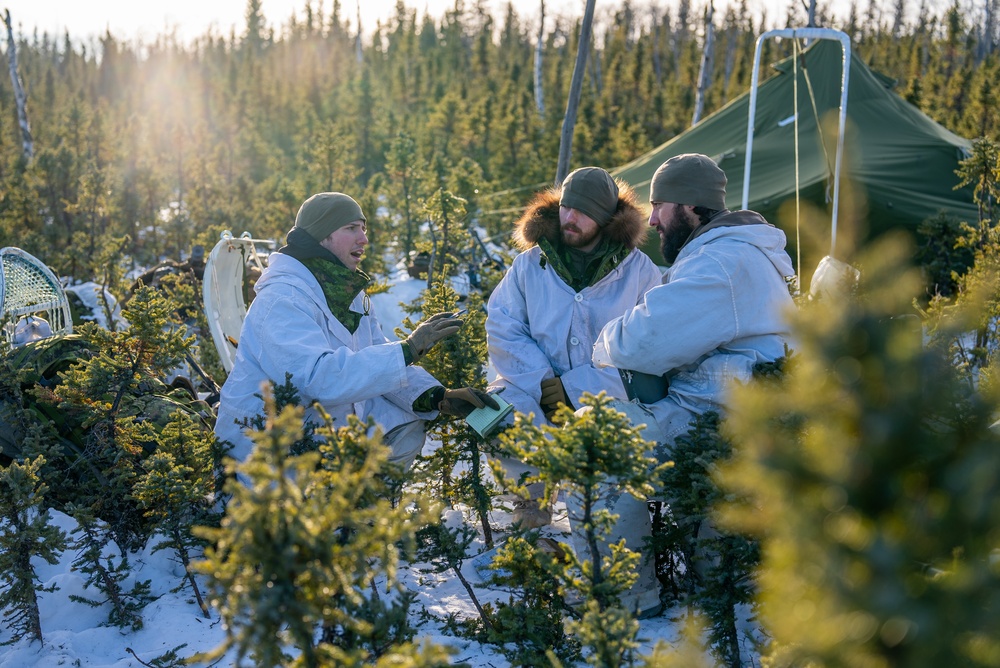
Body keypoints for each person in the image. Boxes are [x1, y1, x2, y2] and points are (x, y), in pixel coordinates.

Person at [583, 152, 796, 618]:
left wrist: (605, 339)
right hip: (735, 411)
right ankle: (721, 570)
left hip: (717, 418)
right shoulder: (735, 254)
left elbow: (639, 342)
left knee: (599, 435)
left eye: (660, 204)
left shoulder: (718, 263)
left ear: (691, 206)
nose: (652, 218)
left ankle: (626, 598)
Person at [215, 192, 497, 469]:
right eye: (351, 228)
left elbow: (377, 356)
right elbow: (319, 377)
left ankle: (367, 512)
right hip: (269, 448)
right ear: (320, 235)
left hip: (322, 428)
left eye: (363, 228)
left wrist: (437, 396)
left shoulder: (346, 293)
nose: (363, 238)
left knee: (404, 425)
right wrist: (408, 350)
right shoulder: (282, 300)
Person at [486, 166, 662, 527]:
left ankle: (604, 524)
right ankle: (532, 508)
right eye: (567, 207)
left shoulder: (639, 271)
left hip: (608, 398)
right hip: (533, 389)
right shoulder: (529, 266)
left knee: (608, 454)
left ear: (606, 217)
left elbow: (650, 347)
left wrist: (576, 388)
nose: (570, 217)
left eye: (583, 211)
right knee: (491, 412)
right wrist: (544, 384)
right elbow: (503, 327)